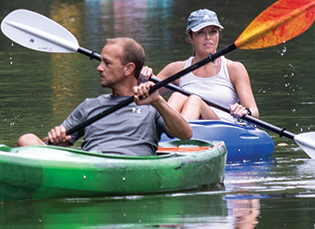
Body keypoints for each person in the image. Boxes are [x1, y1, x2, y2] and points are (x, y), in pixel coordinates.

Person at [17, 37, 192, 155]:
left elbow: (185, 134)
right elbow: (59, 144)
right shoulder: (89, 106)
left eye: (107, 63)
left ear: (128, 69)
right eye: (101, 62)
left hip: (133, 167)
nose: (99, 68)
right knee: (26, 140)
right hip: (89, 167)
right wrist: (58, 139)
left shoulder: (151, 105)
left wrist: (158, 101)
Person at [156, 10, 259, 122]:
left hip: (225, 129)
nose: (208, 37)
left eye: (213, 32)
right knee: (177, 96)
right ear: (191, 37)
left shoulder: (234, 69)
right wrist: (143, 78)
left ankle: (180, 135)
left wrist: (245, 111)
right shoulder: (176, 69)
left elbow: (254, 112)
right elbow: (143, 97)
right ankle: (166, 135)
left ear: (218, 35)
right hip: (186, 128)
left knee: (195, 101)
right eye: (201, 32)